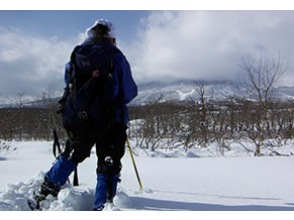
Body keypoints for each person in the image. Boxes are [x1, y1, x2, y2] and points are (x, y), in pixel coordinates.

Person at [30, 19, 138, 211]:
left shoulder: (77, 56)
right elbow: (129, 91)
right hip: (111, 119)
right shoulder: (116, 57)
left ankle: (45, 192)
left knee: (71, 154)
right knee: (108, 161)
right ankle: (103, 206)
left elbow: (69, 84)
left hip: (81, 119)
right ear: (112, 37)